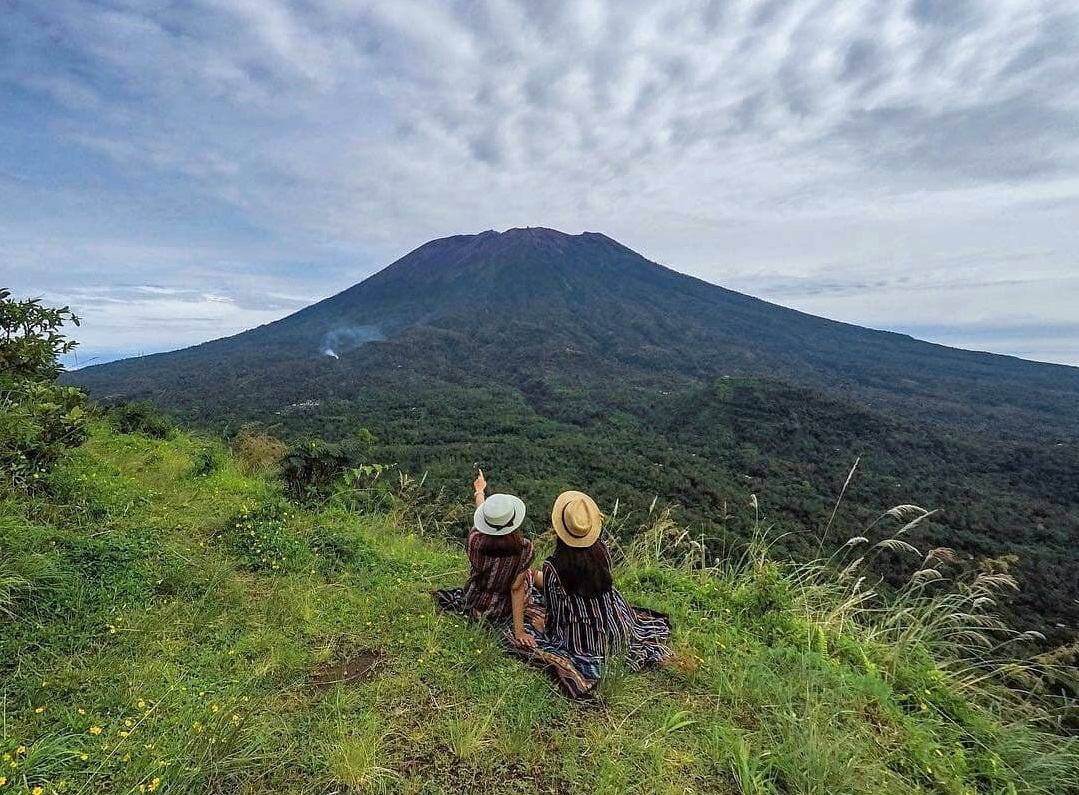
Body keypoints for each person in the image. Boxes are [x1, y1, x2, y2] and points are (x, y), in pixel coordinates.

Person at [512, 490, 673, 696]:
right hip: (618, 626)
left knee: (537, 620)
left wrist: (542, 625)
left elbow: (557, 610)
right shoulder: (602, 550)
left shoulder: (553, 567)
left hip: (582, 642)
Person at [456, 469, 536, 646]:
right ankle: (563, 587)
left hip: (474, 601)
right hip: (502, 609)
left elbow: (482, 522)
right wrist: (519, 632)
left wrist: (479, 492)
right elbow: (516, 589)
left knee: (529, 573)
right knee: (529, 575)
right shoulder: (524, 548)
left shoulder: (474, 541)